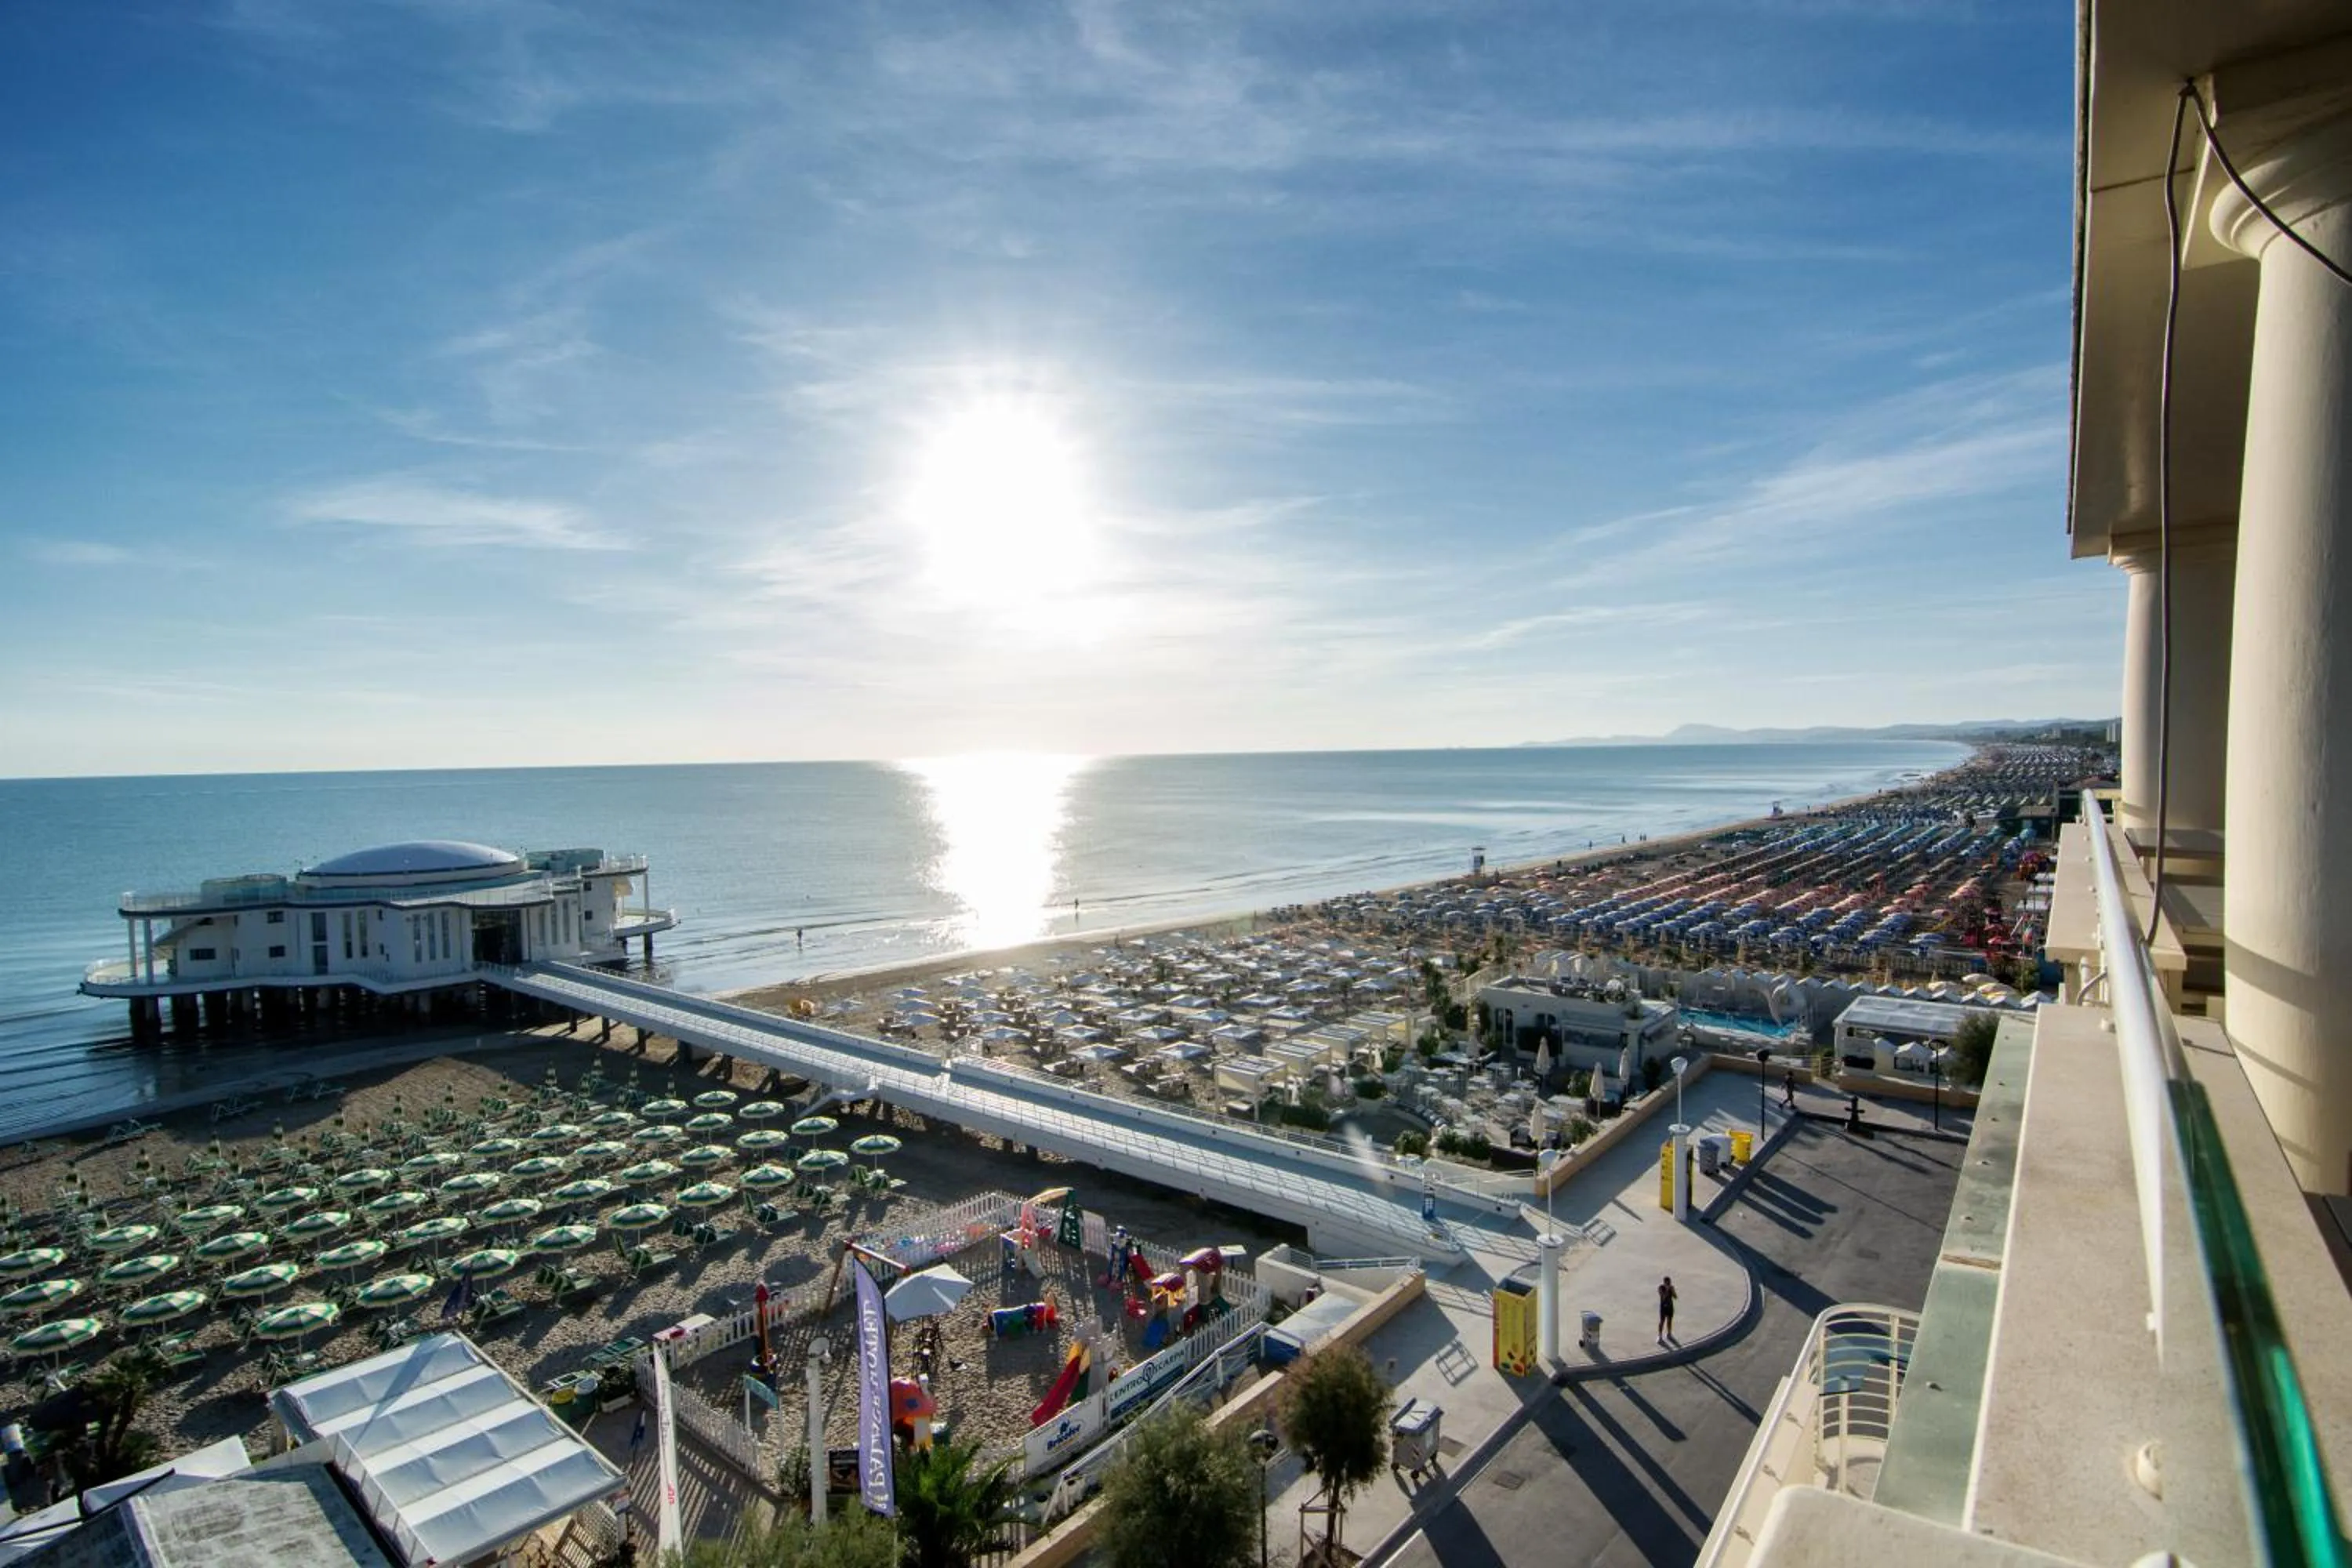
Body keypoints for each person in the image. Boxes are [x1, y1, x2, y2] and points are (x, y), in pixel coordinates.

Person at [1657, 1275, 1678, 1345]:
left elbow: (1675, 1297)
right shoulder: (1661, 1288)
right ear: (1664, 1282)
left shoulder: (1671, 1288)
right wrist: (1667, 1289)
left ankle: (1669, 1333)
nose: (1669, 1284)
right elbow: (1663, 1297)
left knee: (1669, 1321)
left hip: (1670, 1307)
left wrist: (1673, 1291)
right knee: (1662, 1322)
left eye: (1669, 1282)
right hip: (1663, 1308)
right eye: (1667, 1283)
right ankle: (1660, 1336)